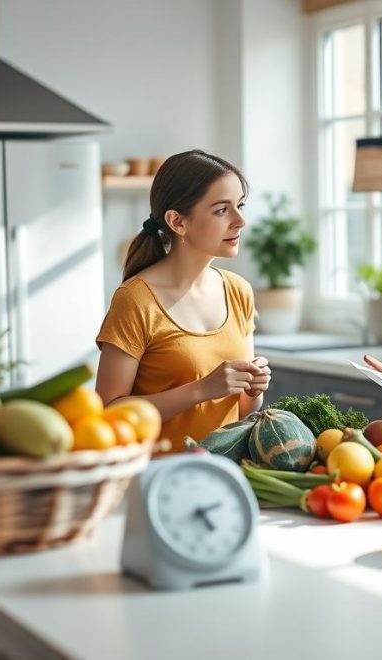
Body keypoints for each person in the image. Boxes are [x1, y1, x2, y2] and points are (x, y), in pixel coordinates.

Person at [95, 150, 270, 450]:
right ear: (177, 222)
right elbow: (110, 413)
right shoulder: (136, 301)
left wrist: (253, 390)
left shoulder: (239, 291)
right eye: (221, 210)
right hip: (159, 479)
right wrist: (201, 389)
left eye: (240, 205)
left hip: (224, 476)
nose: (240, 220)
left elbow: (241, 414)